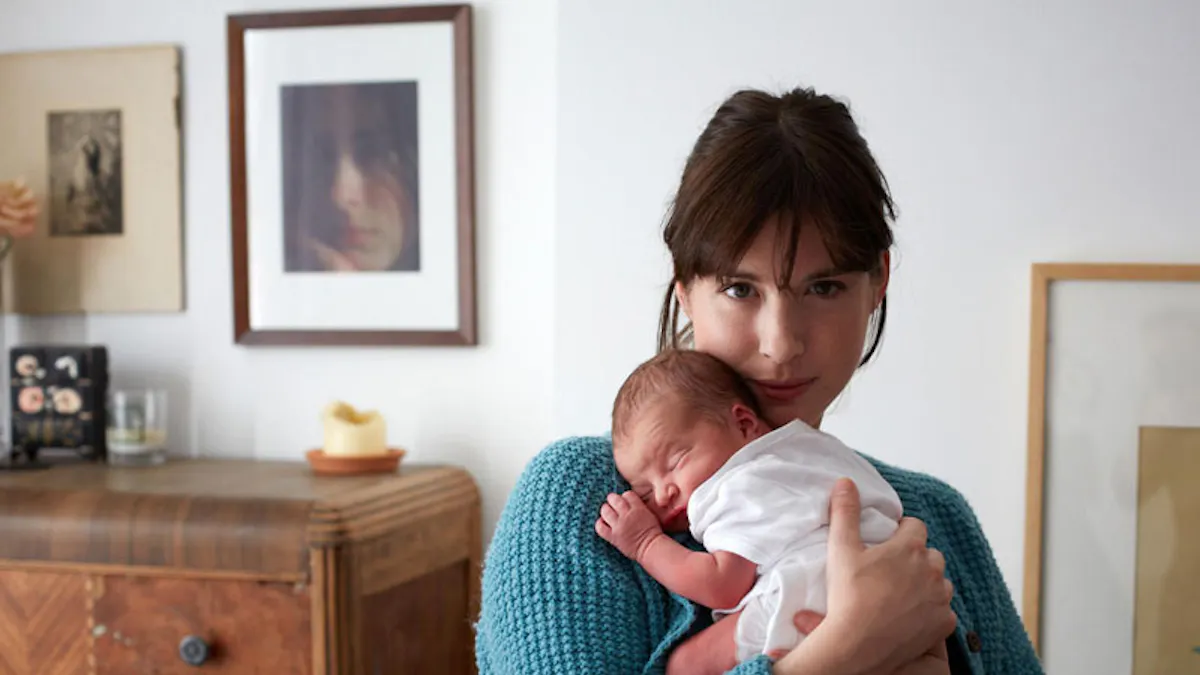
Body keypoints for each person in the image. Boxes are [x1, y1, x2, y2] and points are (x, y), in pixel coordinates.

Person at [475, 85, 1044, 675]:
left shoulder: (938, 515)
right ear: (686, 292)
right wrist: (838, 656)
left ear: (878, 283)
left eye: (823, 288)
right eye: (739, 289)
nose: (782, 343)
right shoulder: (585, 502)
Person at [597, 348, 908, 674]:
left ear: (744, 424)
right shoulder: (817, 450)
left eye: (676, 461)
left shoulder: (738, 483)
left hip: (813, 585)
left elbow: (722, 585)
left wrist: (646, 542)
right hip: (887, 586)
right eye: (644, 492)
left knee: (685, 665)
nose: (663, 493)